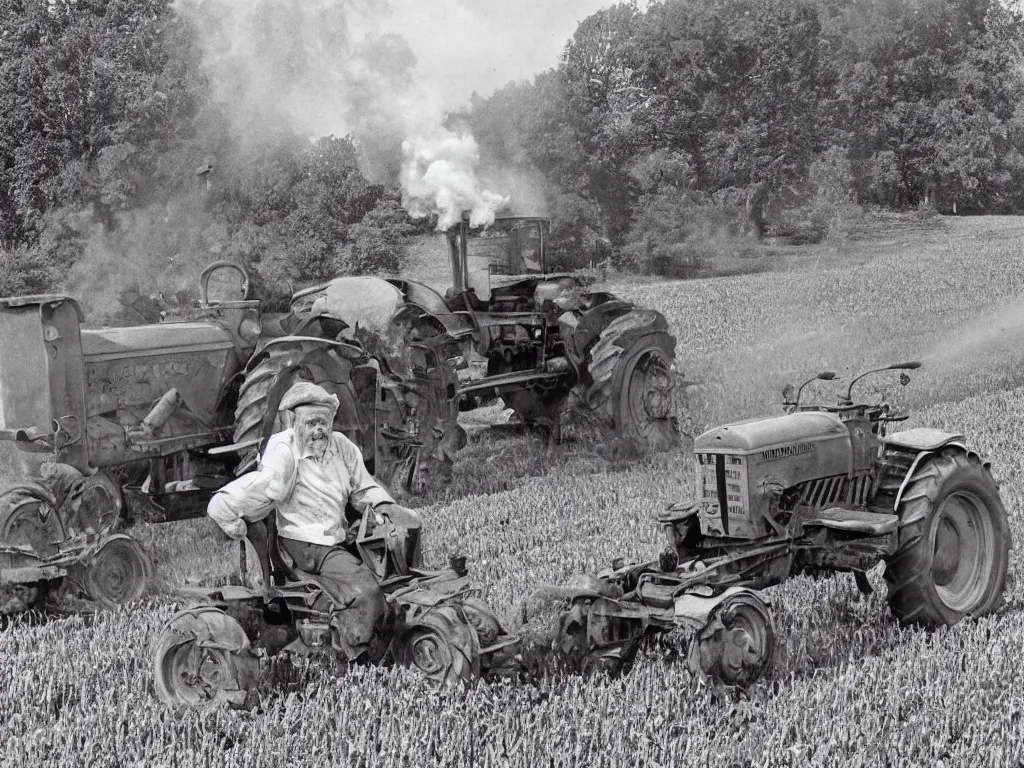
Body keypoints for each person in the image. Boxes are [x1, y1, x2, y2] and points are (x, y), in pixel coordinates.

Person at [207, 381, 422, 660]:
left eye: (323, 422)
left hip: (334, 537)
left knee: (397, 571)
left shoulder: (341, 446)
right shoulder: (283, 451)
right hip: (305, 543)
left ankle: (393, 633)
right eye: (311, 423)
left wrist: (386, 506)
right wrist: (223, 507)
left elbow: (363, 487)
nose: (318, 430)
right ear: (293, 421)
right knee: (366, 591)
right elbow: (262, 487)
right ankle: (356, 651)